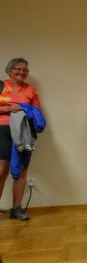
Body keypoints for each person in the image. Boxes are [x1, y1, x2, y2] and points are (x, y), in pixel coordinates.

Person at [0, 58, 41, 221]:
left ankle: (16, 209)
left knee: (22, 171)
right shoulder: (1, 85)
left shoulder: (31, 90)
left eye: (25, 70)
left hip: (23, 133)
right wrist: (8, 108)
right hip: (2, 130)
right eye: (18, 69)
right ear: (10, 70)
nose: (22, 72)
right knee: (1, 170)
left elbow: (37, 111)